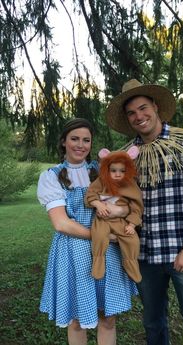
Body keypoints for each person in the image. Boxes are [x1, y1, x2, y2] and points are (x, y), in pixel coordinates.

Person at [105, 79, 183, 345]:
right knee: (153, 325)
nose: (139, 116)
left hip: (182, 253)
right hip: (143, 255)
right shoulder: (125, 158)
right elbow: (120, 201)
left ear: (156, 107)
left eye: (143, 108)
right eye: (131, 113)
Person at [37, 118, 138, 345]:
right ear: (64, 142)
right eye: (74, 139)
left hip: (107, 252)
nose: (80, 145)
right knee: (77, 320)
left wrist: (117, 212)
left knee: (108, 317)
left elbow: (125, 204)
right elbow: (62, 224)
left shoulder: (102, 171)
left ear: (92, 144)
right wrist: (106, 236)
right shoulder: (51, 176)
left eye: (86, 140)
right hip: (73, 252)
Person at [85, 146, 143, 283]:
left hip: (120, 221)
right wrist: (97, 204)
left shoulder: (130, 185)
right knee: (98, 235)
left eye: (122, 171)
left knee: (132, 239)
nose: (118, 174)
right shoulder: (101, 181)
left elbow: (136, 206)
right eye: (113, 171)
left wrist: (132, 224)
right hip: (102, 219)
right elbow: (90, 194)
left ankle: (130, 263)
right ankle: (98, 261)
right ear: (106, 170)